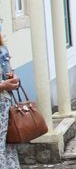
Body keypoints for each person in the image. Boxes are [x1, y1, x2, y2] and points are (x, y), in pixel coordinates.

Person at [0, 21, 21, 168]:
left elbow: (8, 73)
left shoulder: (2, 49)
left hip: (5, 104)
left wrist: (14, 79)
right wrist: (3, 85)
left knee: (9, 147)